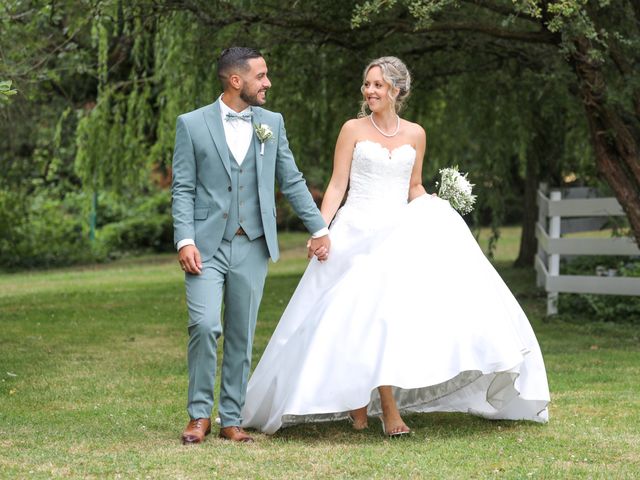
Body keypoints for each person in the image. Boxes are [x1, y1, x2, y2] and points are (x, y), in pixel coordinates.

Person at [241, 56, 550, 436]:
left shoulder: (416, 134)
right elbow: (338, 184)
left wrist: (434, 204)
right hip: (355, 229)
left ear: (397, 90)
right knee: (348, 320)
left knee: (381, 318)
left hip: (396, 233)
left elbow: (413, 185)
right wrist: (320, 229)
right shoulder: (352, 129)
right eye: (367, 84)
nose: (369, 90)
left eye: (378, 85)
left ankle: (372, 405)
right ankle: (377, 408)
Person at [171, 47, 331, 444]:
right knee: (205, 325)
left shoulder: (271, 123)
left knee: (241, 333)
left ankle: (230, 417)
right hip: (205, 246)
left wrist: (320, 228)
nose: (268, 83)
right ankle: (198, 416)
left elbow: (291, 180)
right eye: (261, 76)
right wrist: (185, 239)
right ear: (235, 80)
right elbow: (183, 188)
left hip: (253, 243)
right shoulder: (191, 125)